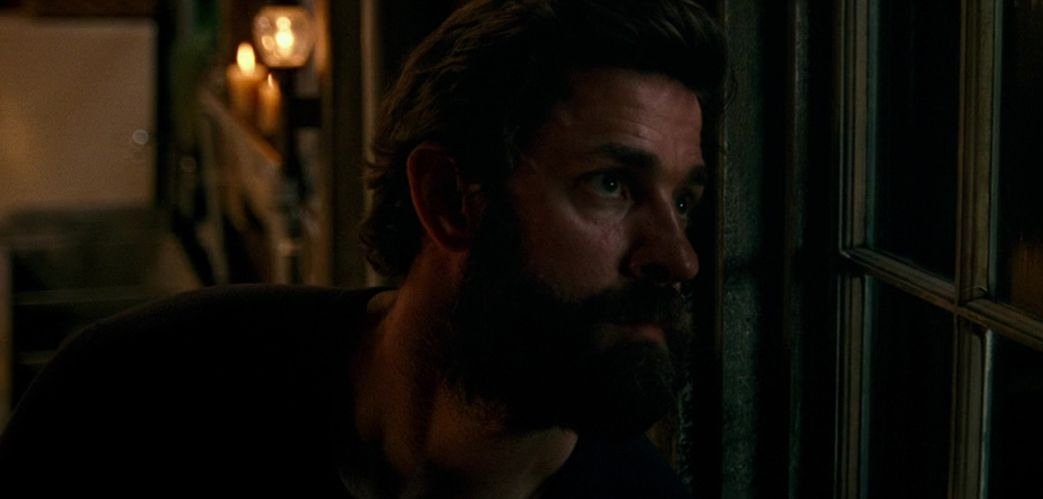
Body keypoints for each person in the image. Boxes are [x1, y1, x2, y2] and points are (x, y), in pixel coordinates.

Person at [0, 0, 726, 496]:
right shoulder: (137, 396)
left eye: (683, 200)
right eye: (611, 184)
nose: (679, 257)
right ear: (447, 199)